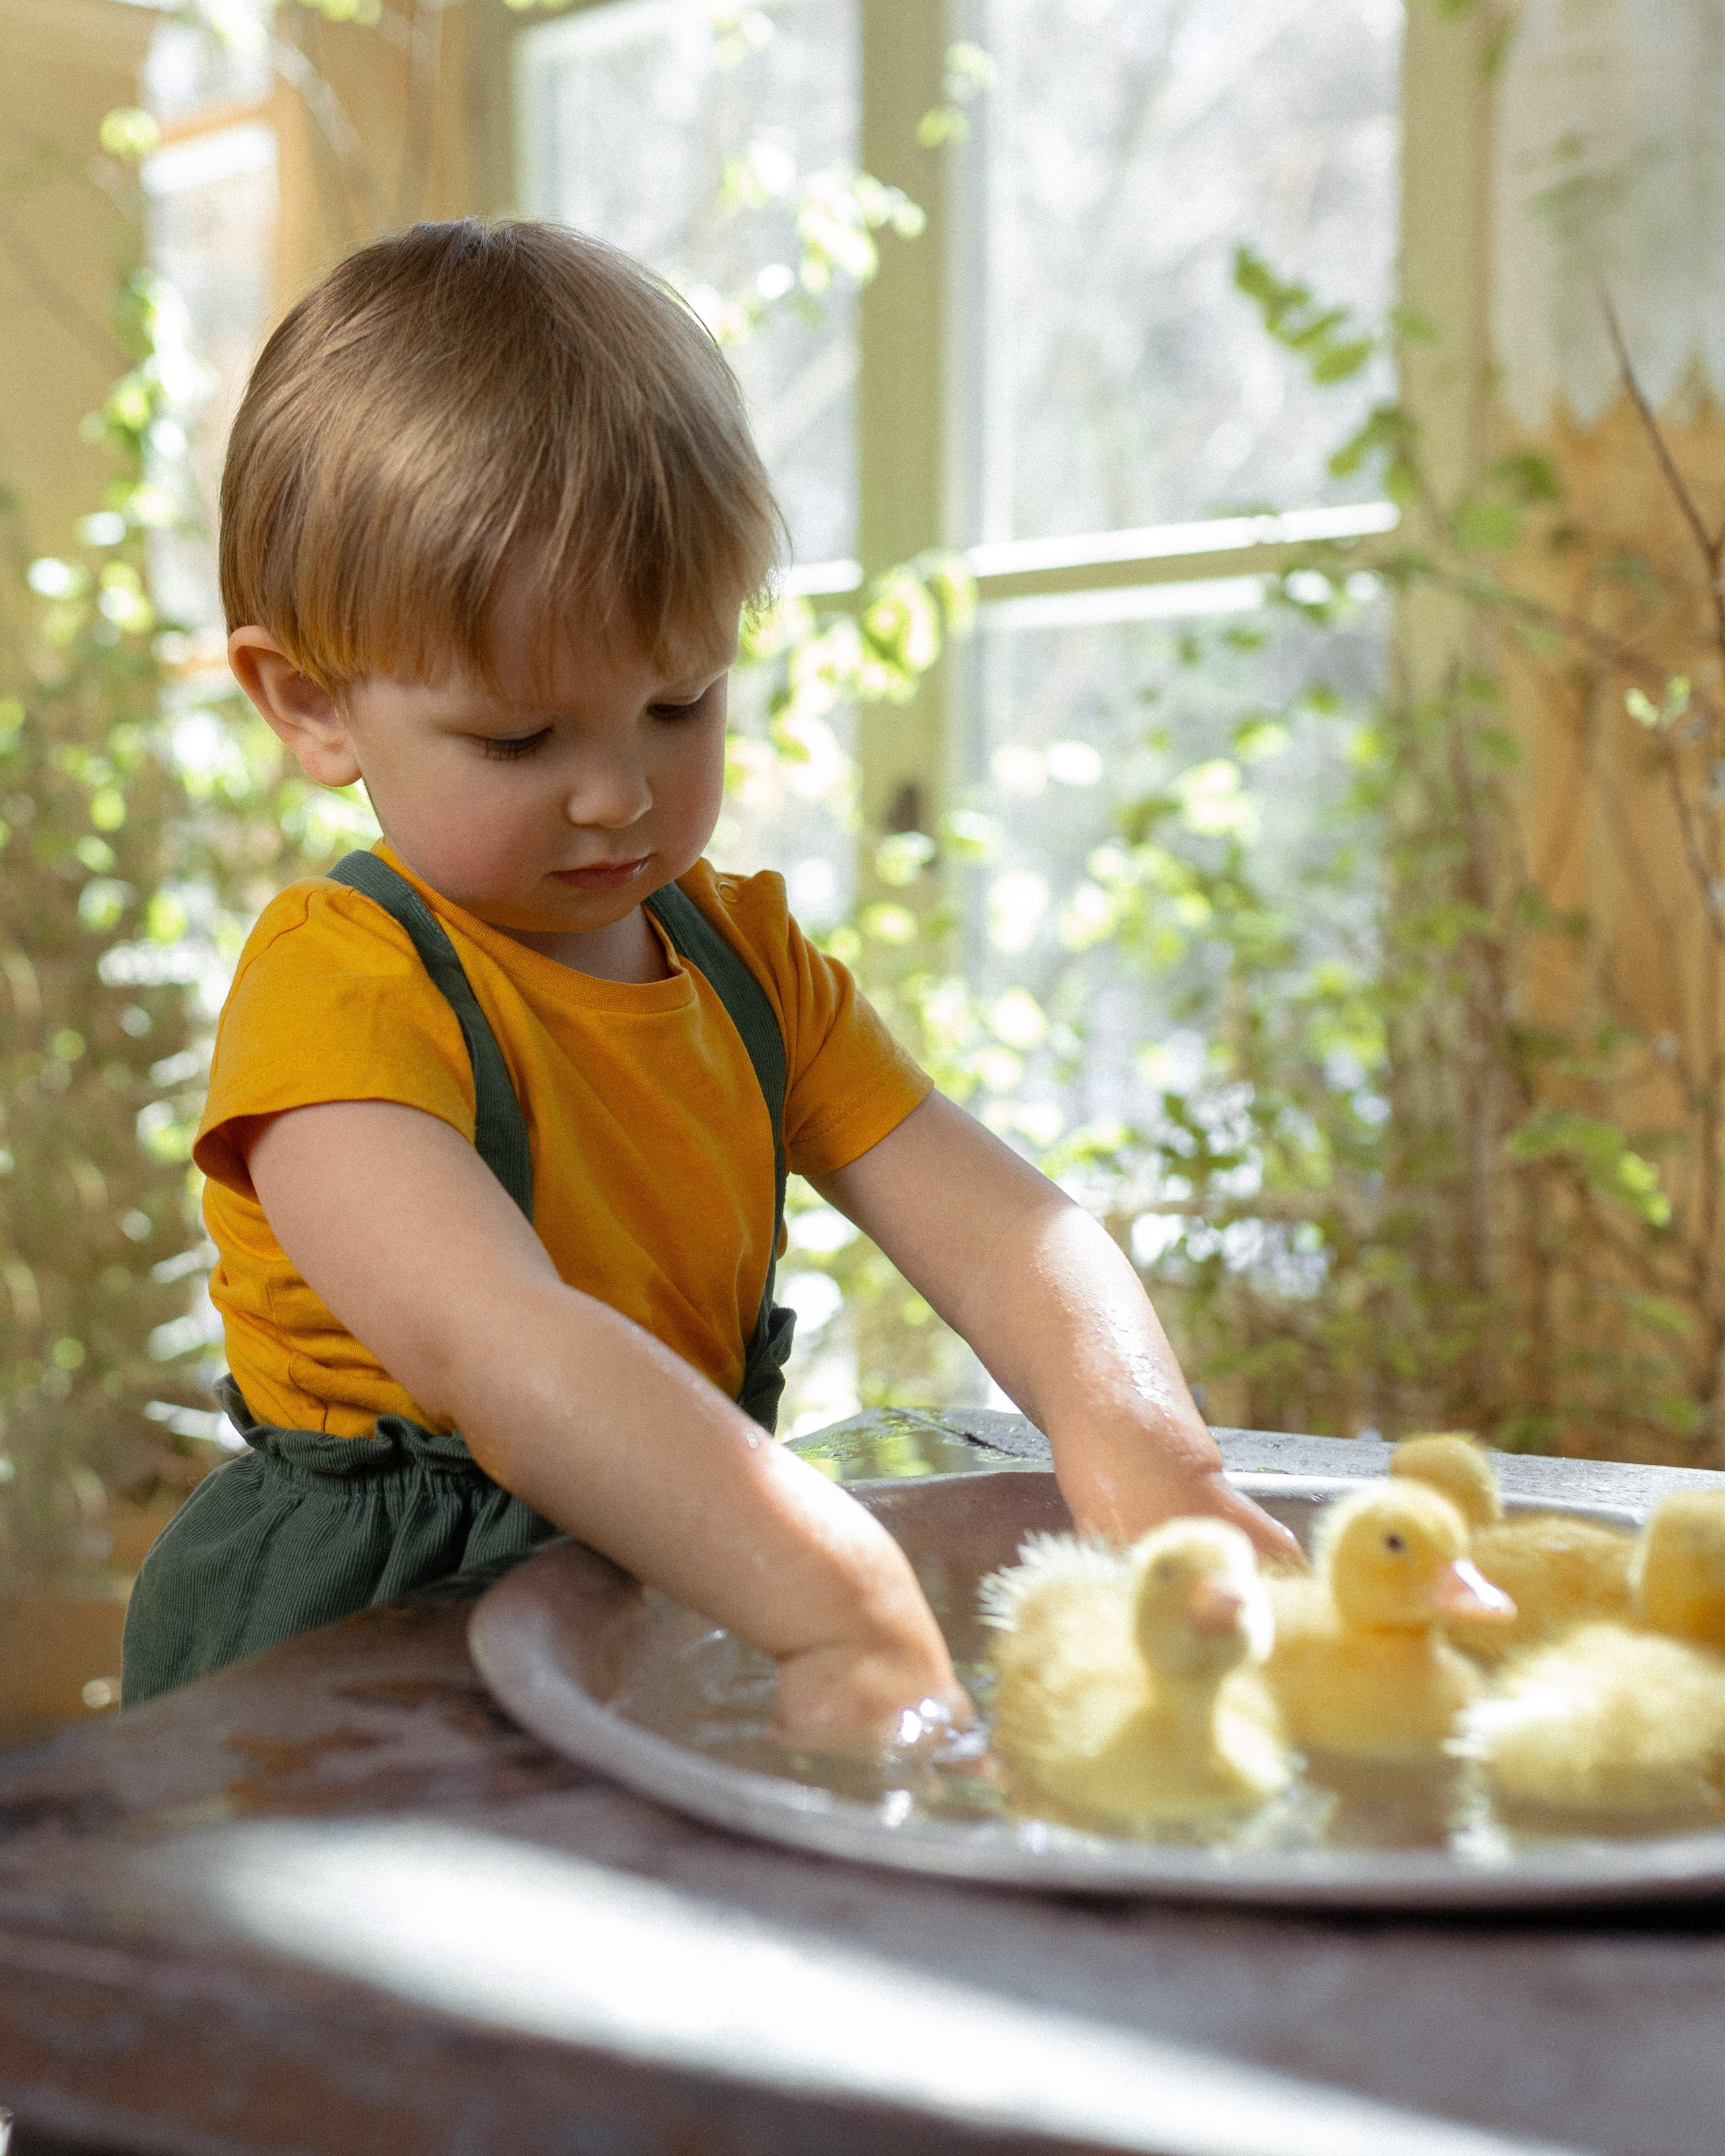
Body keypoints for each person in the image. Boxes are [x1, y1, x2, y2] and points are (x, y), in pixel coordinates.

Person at [121, 220, 1298, 1746]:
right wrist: (834, 1594)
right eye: (520, 740)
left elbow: (1010, 1231)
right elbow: (506, 1351)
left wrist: (1150, 1454)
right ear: (310, 702)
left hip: (661, 1569)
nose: (616, 795)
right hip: (358, 1661)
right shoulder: (343, 991)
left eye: (677, 703)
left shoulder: (743, 964)